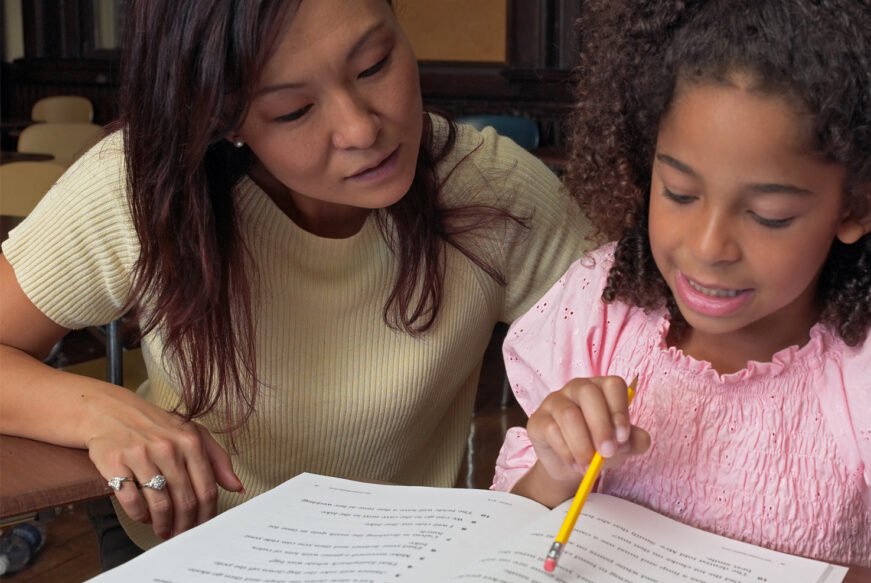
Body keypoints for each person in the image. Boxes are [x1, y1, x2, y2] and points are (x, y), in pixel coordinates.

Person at [491, 0, 871, 583]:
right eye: (679, 194)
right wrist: (555, 466)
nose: (709, 245)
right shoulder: (602, 312)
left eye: (769, 215)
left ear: (853, 207)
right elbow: (504, 541)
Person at [0, 0, 590, 554]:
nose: (360, 129)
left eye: (374, 64)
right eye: (293, 110)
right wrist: (97, 412)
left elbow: (643, 348)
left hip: (401, 574)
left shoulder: (492, 190)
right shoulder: (142, 188)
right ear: (224, 115)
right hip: (184, 565)